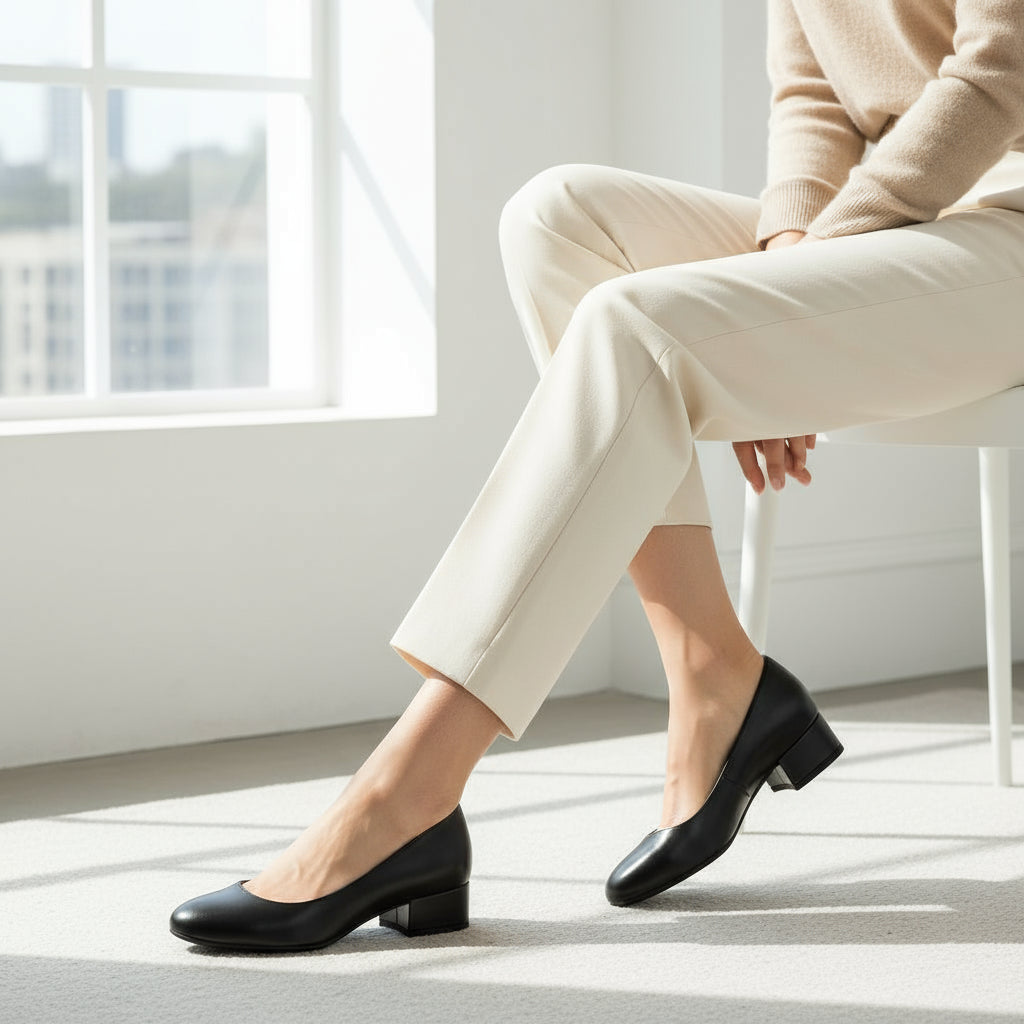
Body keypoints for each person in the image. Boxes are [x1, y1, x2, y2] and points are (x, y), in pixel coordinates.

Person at [169, 0, 1024, 950]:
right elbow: (813, 95)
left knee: (634, 325)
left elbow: (1000, 69)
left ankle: (410, 793)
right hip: (892, 227)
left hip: (1007, 219)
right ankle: (713, 672)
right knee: (557, 217)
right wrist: (790, 263)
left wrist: (807, 280)